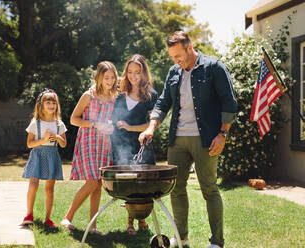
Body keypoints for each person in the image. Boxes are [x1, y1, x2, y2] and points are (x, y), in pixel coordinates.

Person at [139, 31, 238, 248]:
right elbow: (163, 102)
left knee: (209, 189)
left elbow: (229, 102)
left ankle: (217, 242)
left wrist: (223, 134)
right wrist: (151, 128)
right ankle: (181, 237)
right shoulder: (174, 72)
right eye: (172, 57)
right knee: (176, 189)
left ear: (190, 48)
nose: (175, 61)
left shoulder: (214, 67)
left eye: (178, 56)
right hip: (178, 140)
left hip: (206, 139)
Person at [60, 61, 117, 234]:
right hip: (88, 140)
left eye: (112, 77)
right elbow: (73, 119)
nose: (110, 80)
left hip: (104, 143)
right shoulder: (89, 95)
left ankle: (93, 226)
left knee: (98, 183)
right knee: (92, 181)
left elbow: (111, 119)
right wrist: (95, 124)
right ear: (98, 77)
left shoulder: (114, 97)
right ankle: (67, 217)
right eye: (106, 77)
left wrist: (111, 126)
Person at [111, 54, 158, 235]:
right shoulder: (119, 94)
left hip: (142, 144)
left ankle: (143, 220)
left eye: (137, 72)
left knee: (143, 183)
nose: (133, 76)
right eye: (130, 72)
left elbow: (153, 123)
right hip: (121, 145)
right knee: (128, 184)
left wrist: (130, 128)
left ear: (143, 73)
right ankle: (130, 222)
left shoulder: (151, 95)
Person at [21, 89, 67, 228]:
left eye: (54, 103)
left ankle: (48, 218)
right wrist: (44, 139)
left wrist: (58, 137)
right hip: (38, 155)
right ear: (41, 105)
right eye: (48, 102)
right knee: (33, 184)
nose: (51, 105)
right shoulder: (35, 123)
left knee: (49, 189)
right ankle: (29, 214)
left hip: (52, 155)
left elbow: (64, 144)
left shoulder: (59, 124)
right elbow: (30, 144)